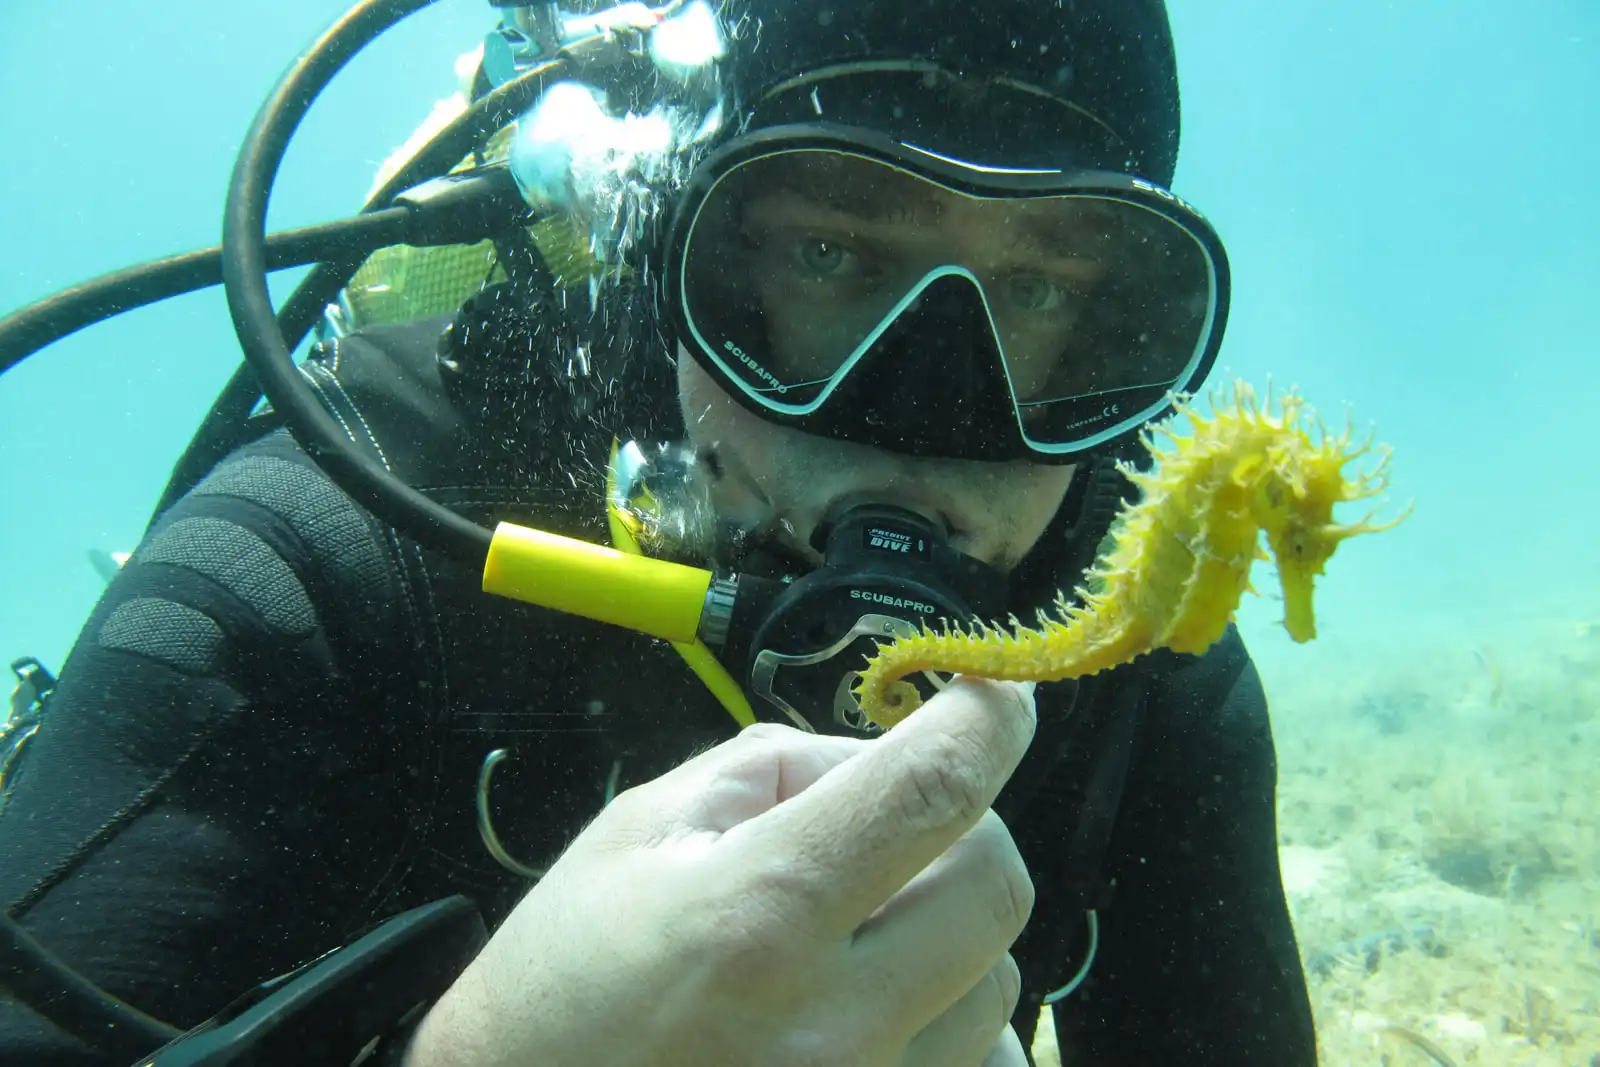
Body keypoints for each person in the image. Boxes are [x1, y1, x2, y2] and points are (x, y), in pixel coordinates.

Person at [0, 0, 1319, 1064]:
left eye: (1037, 289)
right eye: (827, 257)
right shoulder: (316, 553)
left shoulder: (1148, 675)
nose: (927, 412)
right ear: (674, 260)